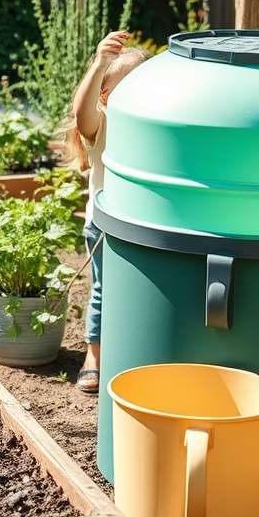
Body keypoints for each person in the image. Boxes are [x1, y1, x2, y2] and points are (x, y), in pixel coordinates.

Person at [64, 31, 150, 393]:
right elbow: (81, 113)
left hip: (146, 227)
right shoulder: (103, 121)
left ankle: (135, 354)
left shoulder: (156, 125)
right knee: (104, 291)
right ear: (104, 95)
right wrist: (99, 64)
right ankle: (94, 357)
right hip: (105, 227)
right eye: (127, 87)